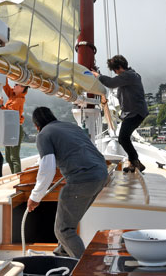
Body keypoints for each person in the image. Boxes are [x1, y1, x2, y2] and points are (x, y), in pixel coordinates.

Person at [27, 106, 108, 258]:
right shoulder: (70, 126)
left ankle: (83, 270)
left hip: (82, 179)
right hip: (101, 174)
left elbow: (47, 168)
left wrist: (35, 197)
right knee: (69, 223)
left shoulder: (44, 134)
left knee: (63, 230)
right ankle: (61, 259)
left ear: (36, 126)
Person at [94, 55, 148, 173]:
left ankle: (135, 161)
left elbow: (111, 83)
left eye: (115, 70)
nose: (115, 73)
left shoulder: (128, 75)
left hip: (135, 112)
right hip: (135, 112)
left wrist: (98, 76)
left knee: (123, 138)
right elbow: (113, 81)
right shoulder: (131, 75)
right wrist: (100, 75)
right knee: (125, 137)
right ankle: (133, 163)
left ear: (119, 67)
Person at [1, 81, 28, 174]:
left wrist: (1, 105)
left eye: (16, 85)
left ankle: (17, 179)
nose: (14, 86)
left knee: (14, 157)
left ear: (22, 88)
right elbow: (6, 86)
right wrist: (4, 73)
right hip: (9, 128)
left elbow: (9, 114)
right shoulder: (13, 95)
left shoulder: (19, 99)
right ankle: (14, 176)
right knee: (8, 157)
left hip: (15, 129)